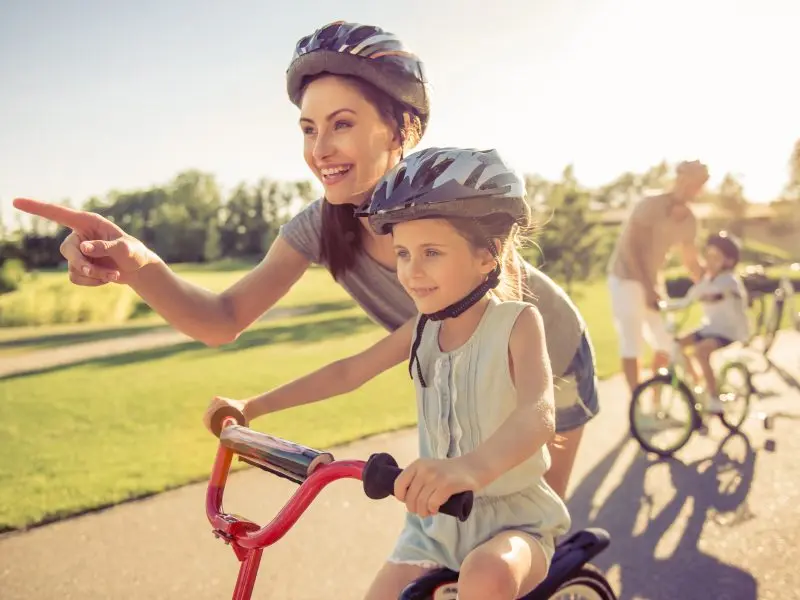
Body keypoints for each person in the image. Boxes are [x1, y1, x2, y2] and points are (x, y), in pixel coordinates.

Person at [12, 20, 598, 499]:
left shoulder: (454, 206)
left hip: (547, 365)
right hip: (463, 379)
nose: (320, 150)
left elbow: (502, 358)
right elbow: (222, 319)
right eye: (309, 128)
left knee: (518, 533)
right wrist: (139, 264)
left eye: (342, 125)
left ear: (401, 129)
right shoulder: (321, 226)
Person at [204, 147, 571, 600]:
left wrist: (472, 468)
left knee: (487, 576)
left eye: (431, 252)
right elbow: (347, 372)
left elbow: (538, 415)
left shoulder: (516, 322)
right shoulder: (420, 330)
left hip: (514, 524)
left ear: (487, 256)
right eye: (402, 253)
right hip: (433, 528)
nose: (411, 272)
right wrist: (252, 406)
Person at [606, 159, 708, 394]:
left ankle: (655, 399)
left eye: (698, 184)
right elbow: (632, 249)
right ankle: (637, 404)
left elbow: (691, 260)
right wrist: (648, 287)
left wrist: (714, 279)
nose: (691, 187)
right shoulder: (650, 205)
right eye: (689, 180)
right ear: (679, 179)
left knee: (666, 342)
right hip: (626, 278)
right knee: (633, 342)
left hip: (652, 281)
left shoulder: (690, 219)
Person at [669, 231, 749, 412]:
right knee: (678, 344)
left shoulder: (729, 281)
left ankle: (714, 398)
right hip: (709, 327)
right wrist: (665, 305)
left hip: (728, 331)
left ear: (729, 262)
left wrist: (708, 294)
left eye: (716, 258)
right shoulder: (708, 280)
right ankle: (697, 381)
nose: (709, 262)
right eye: (708, 256)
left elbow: (721, 295)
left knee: (700, 352)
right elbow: (688, 300)